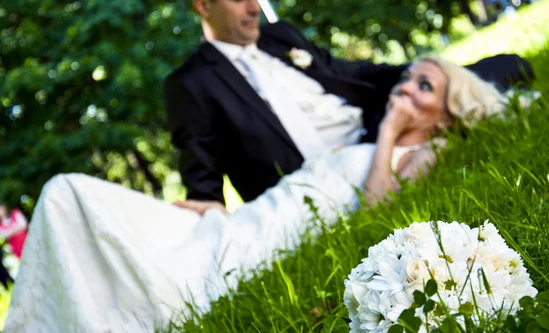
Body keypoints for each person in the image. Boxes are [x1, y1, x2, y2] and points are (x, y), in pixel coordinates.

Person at [5, 57, 515, 332]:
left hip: (260, 245)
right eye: (407, 77)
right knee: (67, 194)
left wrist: (388, 134)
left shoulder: (420, 155)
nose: (405, 88)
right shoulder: (365, 136)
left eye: (424, 86)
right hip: (243, 220)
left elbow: (378, 210)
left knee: (72, 200)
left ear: (446, 115)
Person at [164, 0, 534, 216]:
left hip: (372, 125)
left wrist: (424, 76)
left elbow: (353, 74)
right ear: (202, 4)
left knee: (502, 67)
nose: (254, 8)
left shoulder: (281, 36)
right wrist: (207, 207)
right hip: (316, 179)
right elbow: (202, 166)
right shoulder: (192, 83)